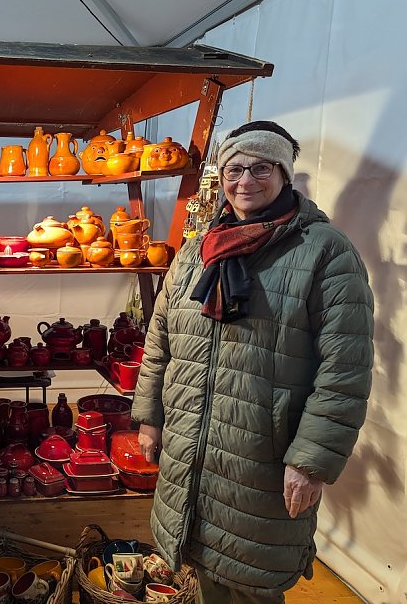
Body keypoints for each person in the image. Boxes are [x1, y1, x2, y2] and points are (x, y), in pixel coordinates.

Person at [132, 120, 374, 603]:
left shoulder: (325, 252)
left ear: (284, 173)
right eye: (233, 169)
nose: (244, 181)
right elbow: (160, 338)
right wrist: (149, 417)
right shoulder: (199, 250)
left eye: (259, 168)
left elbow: (343, 372)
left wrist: (310, 463)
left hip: (262, 453)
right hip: (191, 445)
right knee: (203, 570)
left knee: (251, 581)